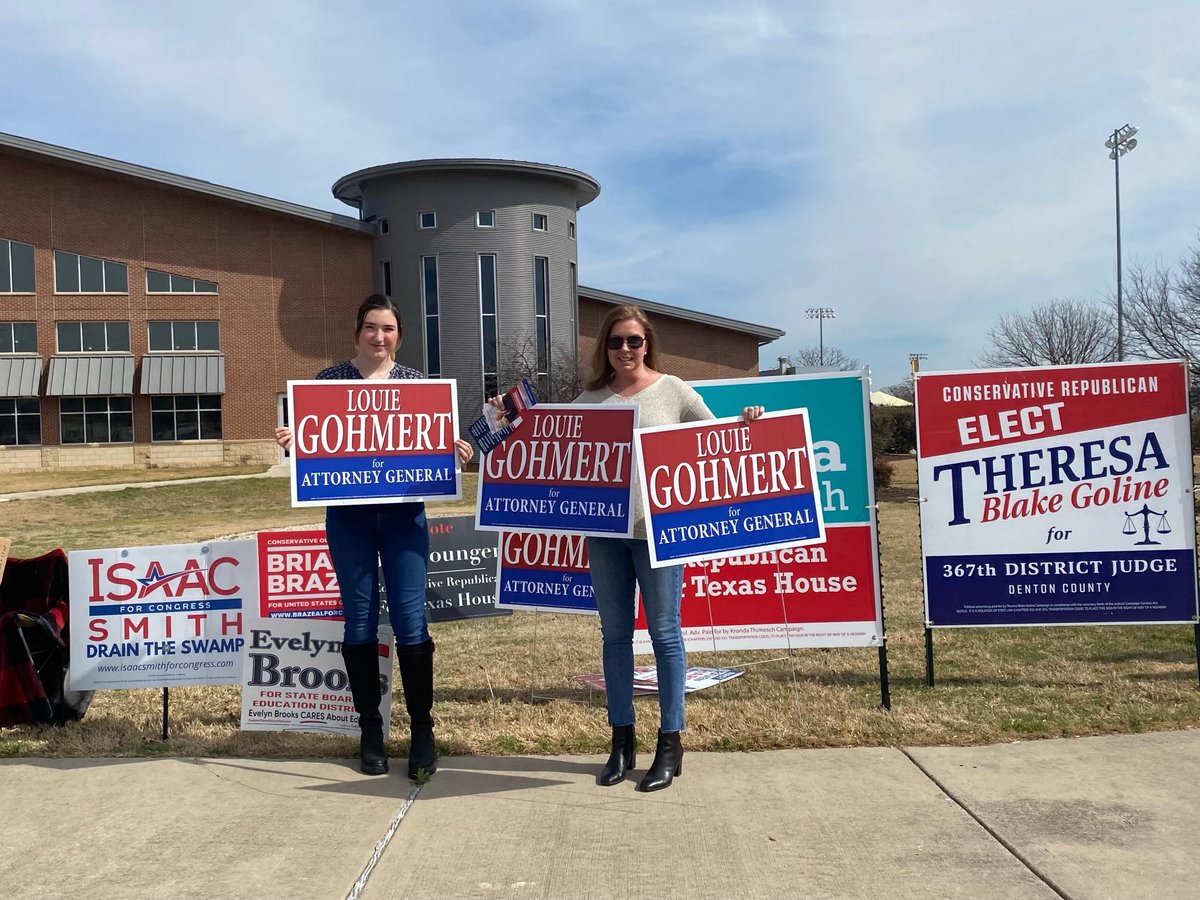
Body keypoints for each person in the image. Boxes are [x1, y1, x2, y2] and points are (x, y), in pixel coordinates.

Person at [276, 293, 473, 779]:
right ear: (357, 331)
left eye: (387, 328)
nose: (379, 337)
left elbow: (432, 443)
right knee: (358, 621)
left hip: (405, 518)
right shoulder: (328, 382)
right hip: (350, 519)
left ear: (399, 335)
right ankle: (370, 729)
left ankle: (422, 730)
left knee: (411, 621)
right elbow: (316, 445)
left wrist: (455, 451)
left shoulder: (416, 385)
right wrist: (294, 444)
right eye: (370, 327)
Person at [576, 305, 763, 792]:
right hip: (605, 535)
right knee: (614, 636)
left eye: (633, 341)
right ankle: (621, 742)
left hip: (661, 534)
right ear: (605, 347)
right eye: (616, 341)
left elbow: (716, 442)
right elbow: (557, 451)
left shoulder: (674, 389)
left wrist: (746, 423)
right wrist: (499, 425)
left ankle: (669, 743)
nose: (624, 350)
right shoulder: (590, 398)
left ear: (647, 343)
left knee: (664, 634)